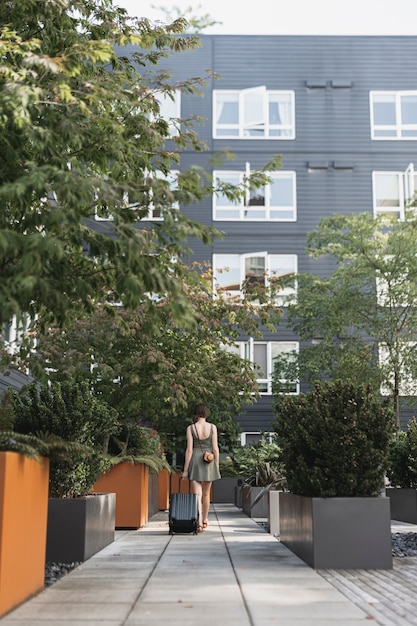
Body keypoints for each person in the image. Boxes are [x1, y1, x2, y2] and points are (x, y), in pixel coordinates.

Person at [182, 404, 221, 532]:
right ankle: (205, 519)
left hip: (195, 461)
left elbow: (189, 450)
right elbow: (215, 448)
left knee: (197, 494)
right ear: (206, 414)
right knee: (206, 494)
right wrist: (217, 464)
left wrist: (185, 470)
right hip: (209, 461)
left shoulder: (191, 428)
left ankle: (198, 523)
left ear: (195, 414)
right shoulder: (213, 427)